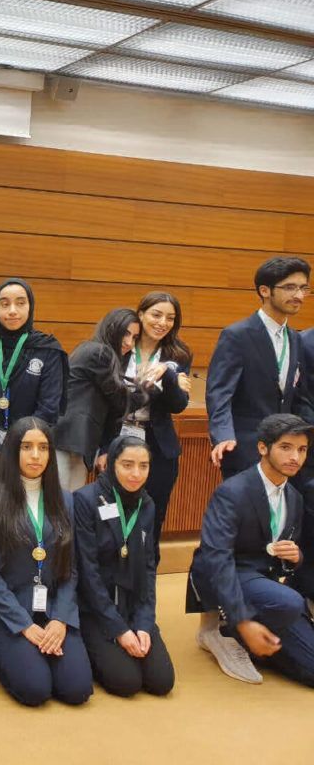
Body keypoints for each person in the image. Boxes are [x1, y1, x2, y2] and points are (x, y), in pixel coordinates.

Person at [0, 417, 93, 707]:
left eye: (43, 447)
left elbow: (70, 569)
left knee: (76, 689)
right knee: (36, 689)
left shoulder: (66, 500)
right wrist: (24, 626)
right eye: (26, 447)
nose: (36, 455)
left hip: (51, 608)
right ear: (13, 451)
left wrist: (60, 620)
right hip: (7, 611)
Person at [187, 413, 314, 687]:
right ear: (262, 447)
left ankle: (255, 637)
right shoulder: (233, 492)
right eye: (286, 447)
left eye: (302, 449)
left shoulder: (294, 496)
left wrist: (296, 557)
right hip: (229, 575)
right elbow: (216, 558)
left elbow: (287, 555)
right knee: (290, 602)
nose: (295, 457)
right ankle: (230, 628)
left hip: (265, 585)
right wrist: (242, 620)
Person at [74, 436, 175, 697]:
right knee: (126, 682)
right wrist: (119, 630)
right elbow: (88, 573)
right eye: (127, 465)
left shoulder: (147, 504)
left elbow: (149, 569)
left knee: (161, 681)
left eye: (143, 466)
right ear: (111, 464)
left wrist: (144, 623)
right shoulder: (85, 500)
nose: (136, 474)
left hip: (131, 605)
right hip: (95, 610)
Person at [207, 257, 312, 480]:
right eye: (290, 288)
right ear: (265, 291)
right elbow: (219, 394)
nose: (299, 296)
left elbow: (296, 396)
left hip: (283, 452)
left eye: (303, 288)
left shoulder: (295, 339)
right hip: (245, 448)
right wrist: (223, 435)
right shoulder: (237, 335)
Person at [124, 292, 193, 562]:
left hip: (158, 445)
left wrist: (170, 374)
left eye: (170, 318)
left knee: (152, 517)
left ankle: (146, 578)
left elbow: (178, 405)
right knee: (115, 516)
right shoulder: (122, 345)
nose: (162, 322)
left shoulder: (178, 355)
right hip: (119, 439)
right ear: (141, 314)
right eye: (156, 314)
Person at [54, 307, 149, 491]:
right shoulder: (99, 353)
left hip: (78, 443)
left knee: (71, 502)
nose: (129, 342)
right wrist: (150, 386)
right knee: (59, 502)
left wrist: (105, 448)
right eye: (125, 334)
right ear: (112, 328)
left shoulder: (103, 353)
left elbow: (113, 409)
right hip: (65, 438)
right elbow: (122, 403)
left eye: (135, 337)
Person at [0, 278, 68, 447]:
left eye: (20, 303)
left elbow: (48, 408)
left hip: (30, 447)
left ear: (30, 307)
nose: (12, 311)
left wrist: (19, 446)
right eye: (5, 304)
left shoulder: (47, 350)